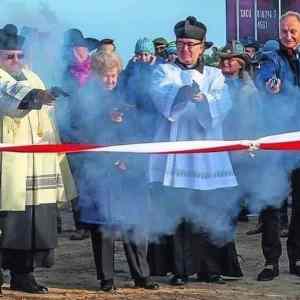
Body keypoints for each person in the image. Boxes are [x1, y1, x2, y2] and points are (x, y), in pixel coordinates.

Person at [147, 16, 242, 286]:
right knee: (178, 212)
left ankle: (210, 268)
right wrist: (183, 94)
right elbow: (163, 101)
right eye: (180, 44)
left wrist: (204, 101)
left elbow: (223, 106)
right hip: (175, 156)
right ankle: (180, 269)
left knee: (210, 211)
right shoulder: (163, 71)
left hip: (207, 158)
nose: (185, 49)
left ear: (202, 47)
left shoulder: (214, 75)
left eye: (191, 44)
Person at [0, 24, 77, 294]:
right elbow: (11, 100)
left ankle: (24, 275)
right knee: (7, 223)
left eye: (20, 56)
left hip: (35, 164)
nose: (16, 61)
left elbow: (48, 116)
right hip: (8, 167)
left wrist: (48, 96)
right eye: (9, 56)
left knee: (32, 224)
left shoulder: (33, 76)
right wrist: (41, 97)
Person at [74, 51, 159, 292]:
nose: (110, 81)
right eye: (105, 77)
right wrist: (105, 120)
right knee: (105, 226)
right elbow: (81, 134)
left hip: (130, 166)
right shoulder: (85, 99)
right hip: (102, 169)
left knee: (136, 222)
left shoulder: (128, 93)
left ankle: (142, 275)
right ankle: (107, 278)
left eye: (113, 75)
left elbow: (141, 128)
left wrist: (128, 160)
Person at [255, 10, 300, 280]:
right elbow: (263, 79)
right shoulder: (271, 58)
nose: (288, 35)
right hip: (275, 143)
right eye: (284, 31)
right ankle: (271, 261)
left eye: (293, 31)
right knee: (272, 201)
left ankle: (297, 258)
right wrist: (269, 87)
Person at [58, 28, 100, 241]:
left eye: (80, 48)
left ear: (86, 49)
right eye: (72, 50)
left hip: (97, 131)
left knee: (96, 178)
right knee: (78, 181)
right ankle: (81, 224)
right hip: (72, 132)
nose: (77, 53)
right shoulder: (66, 74)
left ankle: (99, 221)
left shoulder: (98, 70)